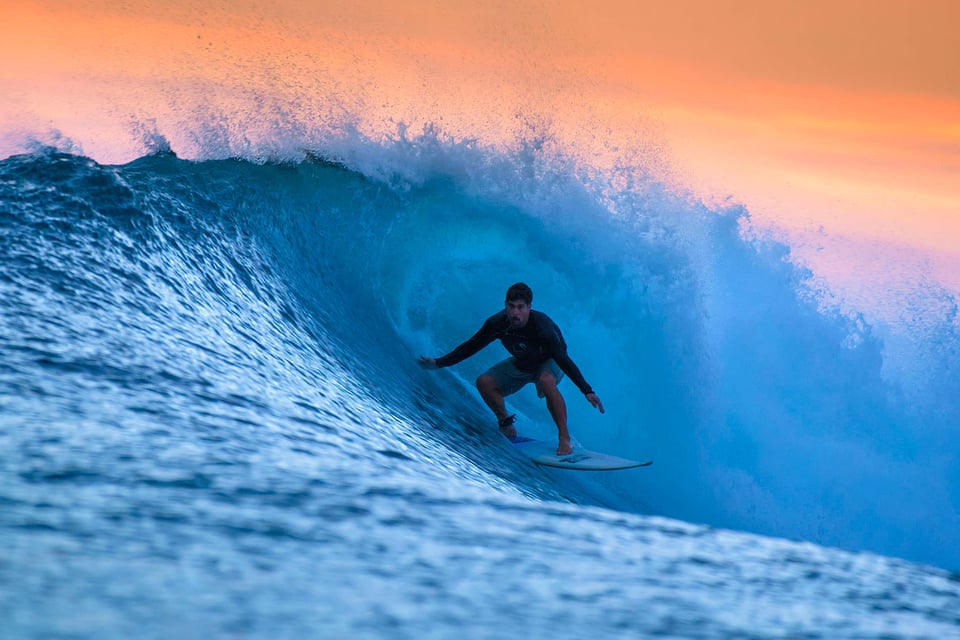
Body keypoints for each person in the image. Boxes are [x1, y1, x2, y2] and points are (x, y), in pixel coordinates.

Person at [419, 282, 604, 455]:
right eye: (511, 306)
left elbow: (563, 359)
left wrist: (586, 390)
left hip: (551, 361)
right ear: (505, 305)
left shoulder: (542, 327)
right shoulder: (497, 324)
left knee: (546, 381)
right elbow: (470, 346)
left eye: (520, 307)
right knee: (484, 382)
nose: (515, 313)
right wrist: (438, 363)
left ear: (529, 307)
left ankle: (565, 439)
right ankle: (506, 424)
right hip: (524, 361)